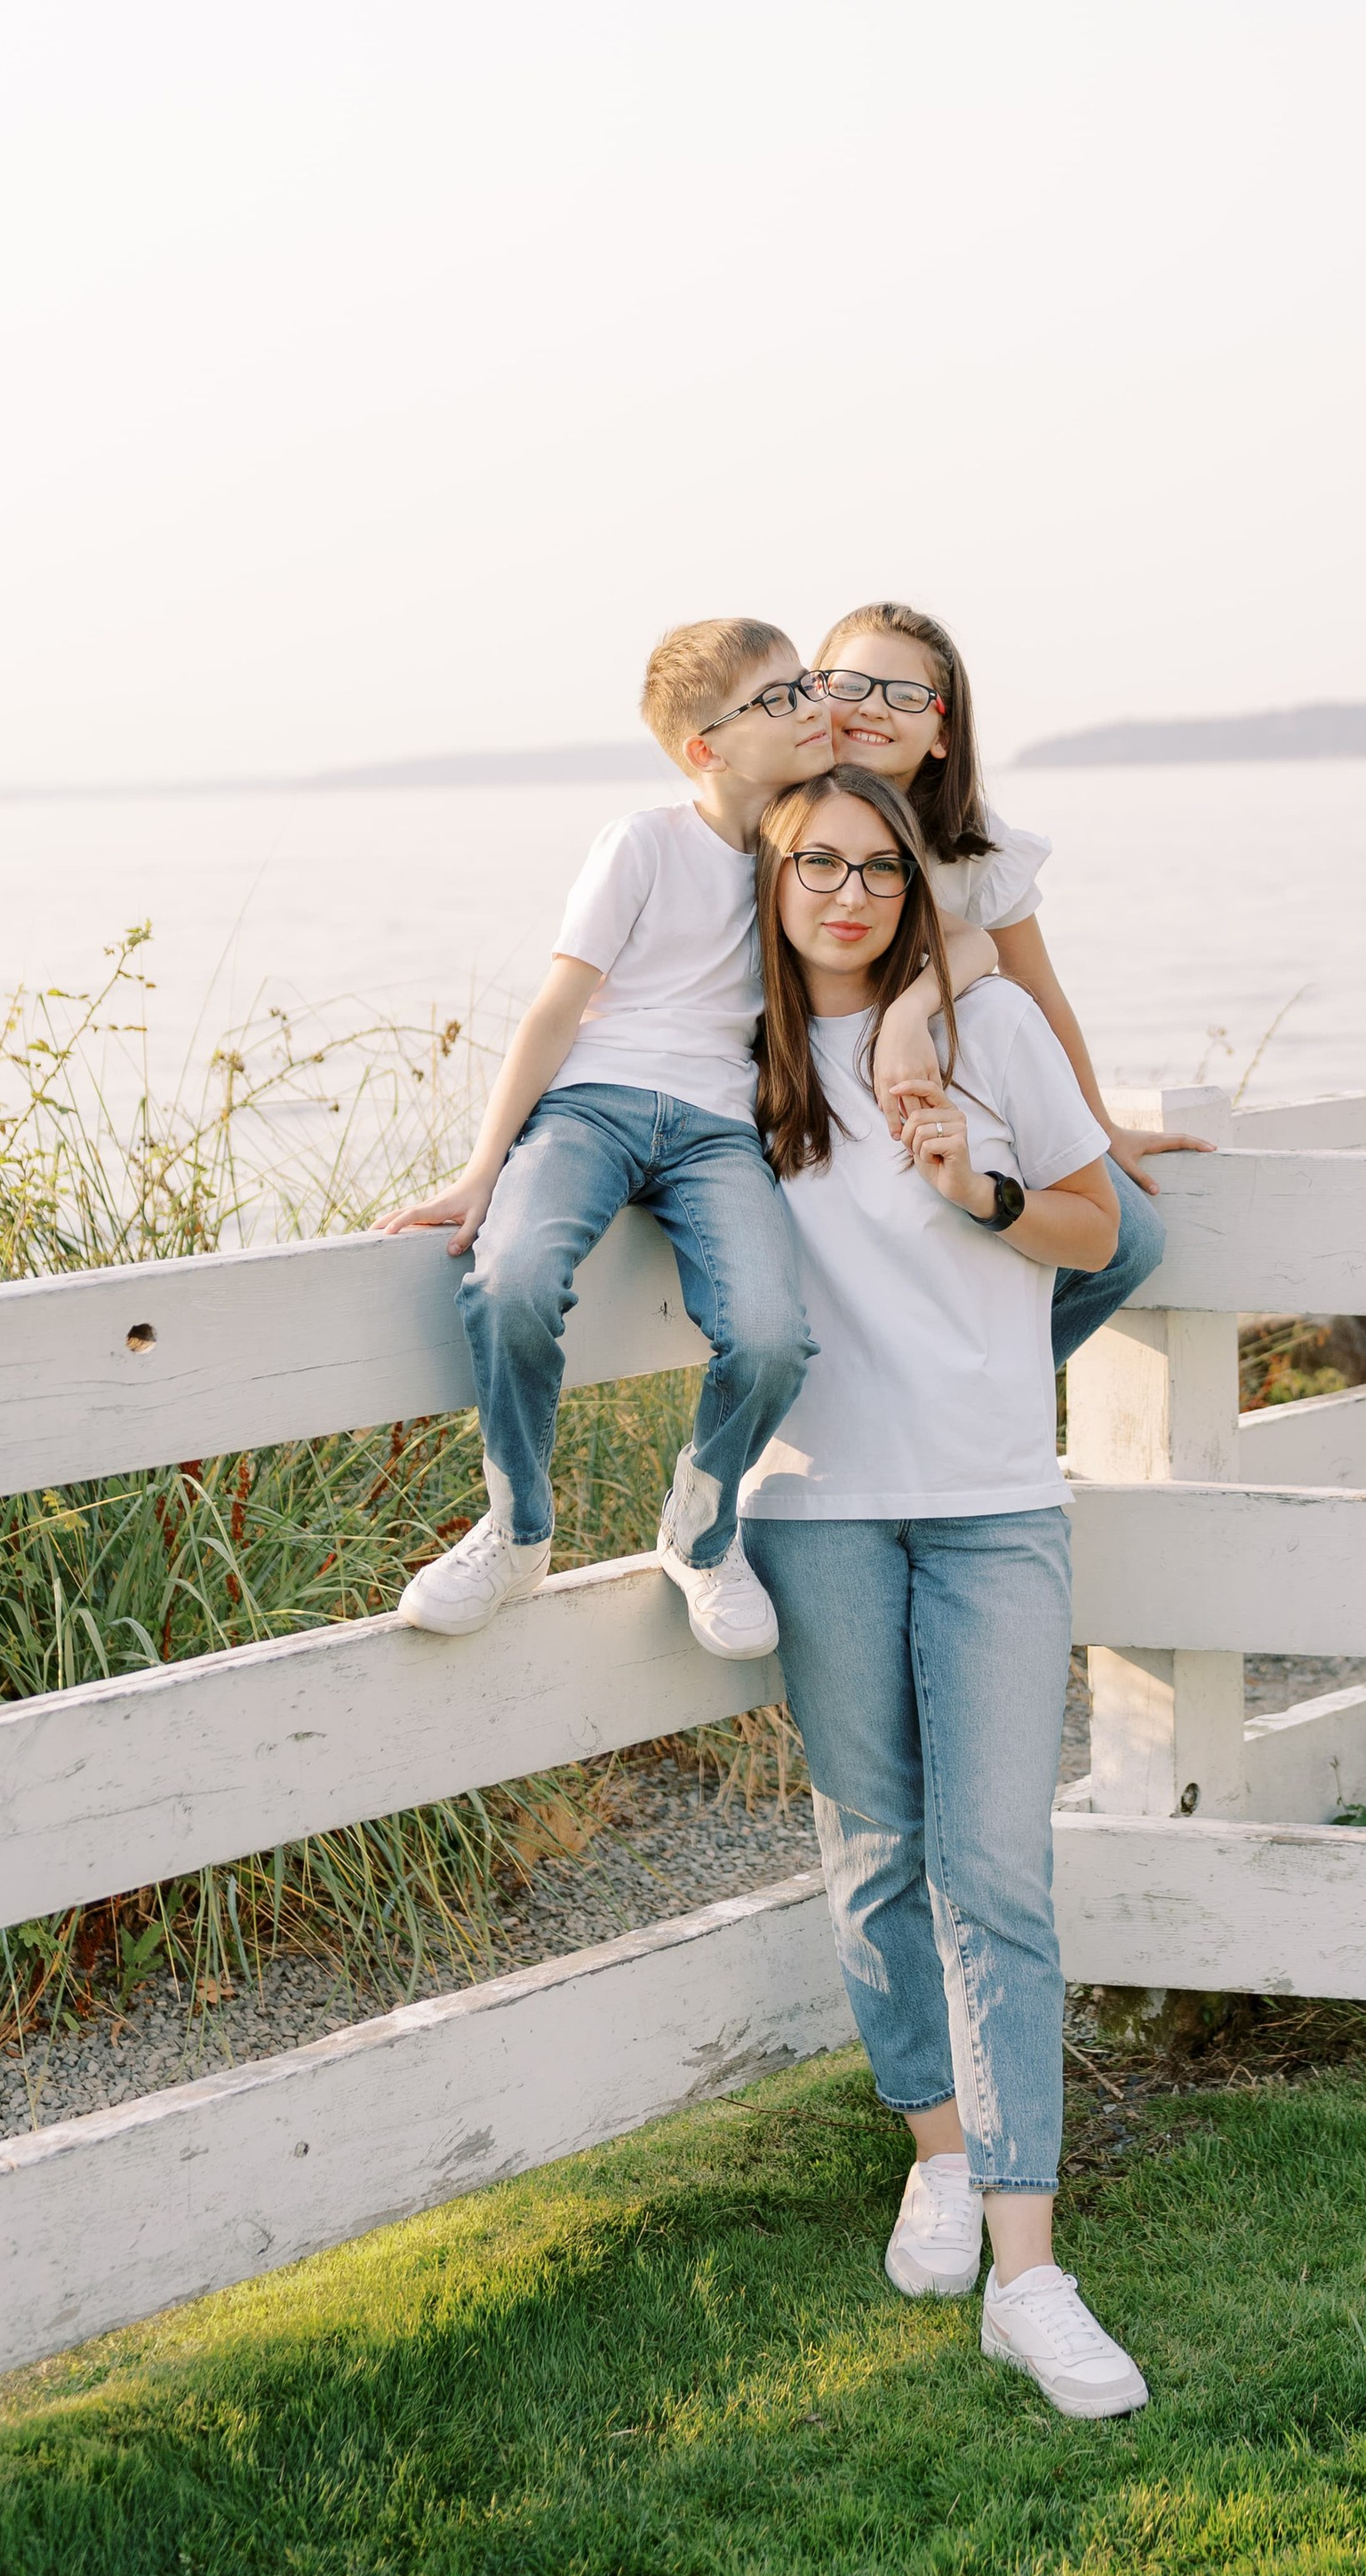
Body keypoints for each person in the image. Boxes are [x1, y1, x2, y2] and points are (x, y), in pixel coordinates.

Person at [739, 762, 1151, 2420]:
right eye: (814, 866)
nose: (848, 894)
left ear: (920, 886)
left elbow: (1101, 1223)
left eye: (881, 870)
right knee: (871, 1854)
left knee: (999, 1871)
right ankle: (934, 2144)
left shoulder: (993, 1035)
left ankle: (1031, 2274)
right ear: (768, 885)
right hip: (819, 1509)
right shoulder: (731, 1060)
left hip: (989, 1506)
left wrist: (970, 1186)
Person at [376, 618, 992, 1660]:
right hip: (591, 1106)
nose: (813, 711)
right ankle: (517, 1528)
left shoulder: (798, 853)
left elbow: (961, 934)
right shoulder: (643, 842)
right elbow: (556, 1009)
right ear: (705, 748)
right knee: (511, 1279)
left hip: (716, 1132)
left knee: (768, 1336)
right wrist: (485, 1168)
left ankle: (700, 1532)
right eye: (780, 701)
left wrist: (901, 1017)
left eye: (805, 688)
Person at [806, 599, 1210, 1362]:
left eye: (905, 695)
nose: (871, 709)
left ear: (943, 733)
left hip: (954, 1100)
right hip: (819, 1096)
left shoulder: (973, 850)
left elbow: (1034, 985)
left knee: (1130, 1241)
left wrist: (1096, 1127)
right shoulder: (783, 822)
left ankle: (991, 1393)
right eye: (849, 684)